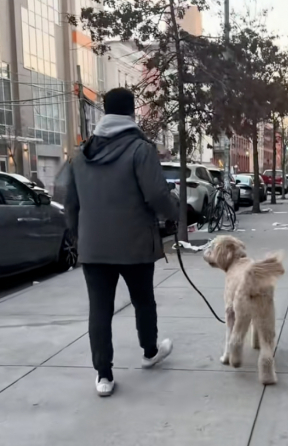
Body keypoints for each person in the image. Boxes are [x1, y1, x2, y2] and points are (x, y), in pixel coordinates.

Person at [65, 88, 179, 397]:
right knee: (143, 300)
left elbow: (69, 202)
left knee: (99, 310)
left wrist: (79, 237)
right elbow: (157, 195)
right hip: (135, 244)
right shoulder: (141, 150)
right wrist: (175, 212)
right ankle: (150, 352)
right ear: (130, 113)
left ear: (105, 112)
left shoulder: (81, 154)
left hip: (94, 249)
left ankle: (104, 375)